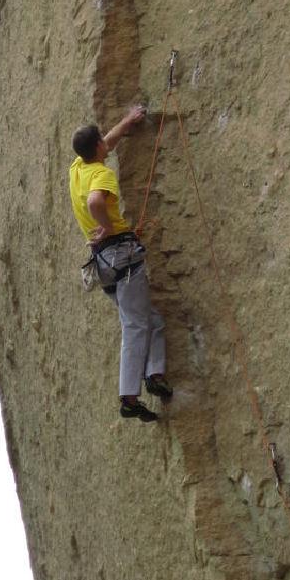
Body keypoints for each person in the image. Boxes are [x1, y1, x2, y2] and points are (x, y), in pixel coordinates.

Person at [69, 105, 172, 423]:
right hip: (121, 256)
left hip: (104, 264)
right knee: (135, 324)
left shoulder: (79, 168)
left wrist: (127, 122)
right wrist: (109, 226)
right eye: (102, 140)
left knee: (150, 320)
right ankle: (128, 397)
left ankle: (154, 374)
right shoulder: (101, 175)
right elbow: (95, 201)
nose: (106, 141)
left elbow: (107, 143)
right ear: (97, 147)